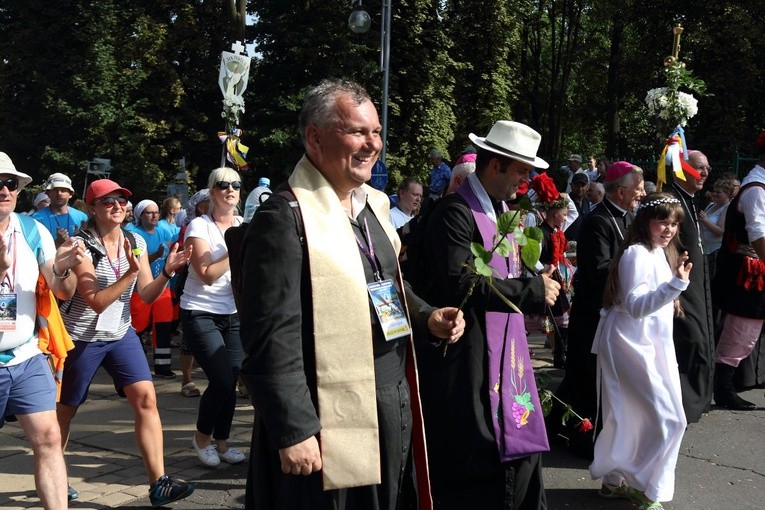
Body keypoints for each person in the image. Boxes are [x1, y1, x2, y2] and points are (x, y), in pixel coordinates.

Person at [239, 78, 465, 510]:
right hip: (324, 416)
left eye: (376, 132)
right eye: (357, 131)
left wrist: (426, 316)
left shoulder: (371, 207)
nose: (372, 144)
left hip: (386, 401)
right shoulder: (284, 218)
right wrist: (294, 429)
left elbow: (389, 285)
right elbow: (271, 335)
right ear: (315, 137)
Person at [418, 120, 561, 509]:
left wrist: (536, 277)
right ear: (495, 164)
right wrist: (531, 291)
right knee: (477, 447)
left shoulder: (501, 211)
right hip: (470, 351)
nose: (526, 180)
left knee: (517, 436)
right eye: (521, 170)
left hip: (505, 349)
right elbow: (459, 281)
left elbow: (505, 272)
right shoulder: (455, 212)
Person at [56, 179, 194, 507]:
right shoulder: (82, 246)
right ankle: (55, 472)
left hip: (120, 335)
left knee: (146, 399)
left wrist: (167, 274)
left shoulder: (134, 241)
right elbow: (96, 301)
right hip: (81, 339)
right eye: (108, 202)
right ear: (91, 208)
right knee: (65, 411)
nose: (117, 207)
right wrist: (130, 274)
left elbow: (146, 294)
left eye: (121, 201)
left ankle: (159, 483)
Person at [590, 193, 691, 510]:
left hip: (651, 343)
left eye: (674, 223)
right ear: (645, 221)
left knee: (632, 415)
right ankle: (649, 490)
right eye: (663, 221)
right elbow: (636, 307)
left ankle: (613, 481)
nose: (669, 229)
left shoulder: (660, 252)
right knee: (668, 418)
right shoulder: (635, 253)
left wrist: (673, 287)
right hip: (628, 342)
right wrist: (675, 286)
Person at [0, 152, 84, 509]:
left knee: (49, 439)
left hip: (25, 353)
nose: (5, 190)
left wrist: (64, 268)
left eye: (10, 184)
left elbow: (63, 290)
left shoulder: (32, 229)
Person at [554, 161, 645, 459]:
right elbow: (598, 270)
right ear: (620, 191)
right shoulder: (599, 221)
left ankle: (557, 425)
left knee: (586, 379)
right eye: (637, 189)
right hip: (593, 314)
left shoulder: (627, 218)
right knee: (586, 378)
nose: (641, 194)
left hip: (611, 313)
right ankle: (581, 439)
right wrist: (638, 273)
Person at [182, 168, 247, 467]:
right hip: (200, 311)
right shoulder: (199, 226)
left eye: (236, 185)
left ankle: (222, 442)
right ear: (212, 192)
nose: (230, 189)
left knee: (231, 380)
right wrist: (237, 248)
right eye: (223, 185)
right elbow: (207, 274)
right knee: (220, 379)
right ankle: (201, 437)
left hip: (233, 313)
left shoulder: (243, 224)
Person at [711, 132, 765, 410]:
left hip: (756, 269)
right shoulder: (756, 188)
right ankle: (723, 388)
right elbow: (757, 233)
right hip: (750, 272)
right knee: (743, 329)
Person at [667, 150, 715, 423]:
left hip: (695, 281)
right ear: (683, 170)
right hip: (681, 285)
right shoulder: (674, 200)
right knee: (691, 339)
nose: (705, 173)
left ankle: (698, 400)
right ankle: (685, 405)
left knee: (701, 338)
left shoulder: (690, 200)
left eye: (707, 168)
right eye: (699, 167)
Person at [130, 200, 177, 378]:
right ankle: (135, 366)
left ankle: (163, 367)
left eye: (156, 212)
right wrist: (156, 255)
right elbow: (136, 264)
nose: (154, 215)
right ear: (140, 216)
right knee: (138, 326)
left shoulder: (164, 232)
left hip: (163, 287)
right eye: (149, 213)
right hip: (139, 289)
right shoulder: (133, 235)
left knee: (164, 326)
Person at [33, 173, 88, 247]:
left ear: (70, 194)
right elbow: (35, 249)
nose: (59, 193)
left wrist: (83, 238)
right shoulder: (37, 219)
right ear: (48, 193)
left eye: (63, 190)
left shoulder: (82, 218)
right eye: (55, 190)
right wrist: (58, 242)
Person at [699, 178, 734, 277]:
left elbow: (721, 231)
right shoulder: (710, 206)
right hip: (704, 249)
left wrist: (705, 220)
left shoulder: (727, 208)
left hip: (715, 251)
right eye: (714, 191)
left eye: (718, 192)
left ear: (727, 194)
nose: (714, 194)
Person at [566, 172, 593, 241]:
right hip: (568, 244)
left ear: (587, 187)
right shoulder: (566, 202)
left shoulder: (587, 202)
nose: (580, 188)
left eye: (582, 185)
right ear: (571, 186)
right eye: (577, 185)